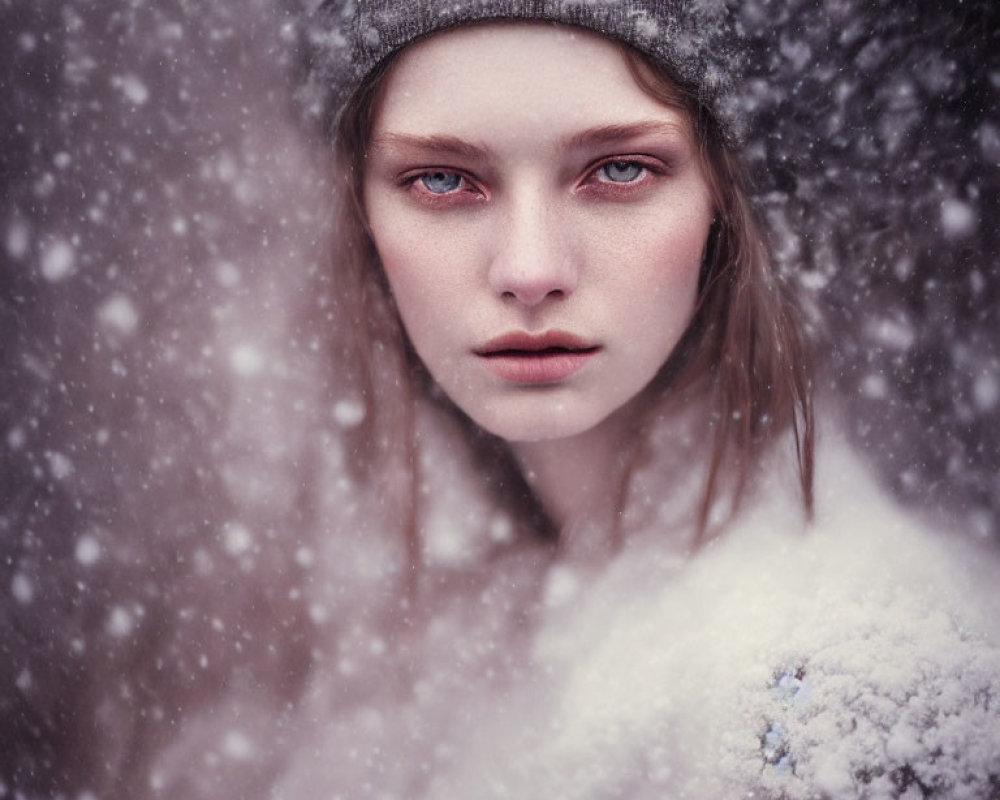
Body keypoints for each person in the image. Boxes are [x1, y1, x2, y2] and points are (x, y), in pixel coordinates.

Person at [14, 2, 998, 798]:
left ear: (724, 202)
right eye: (442, 179)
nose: (530, 269)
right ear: (364, 214)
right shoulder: (451, 644)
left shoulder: (827, 693)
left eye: (619, 169)